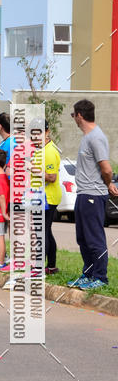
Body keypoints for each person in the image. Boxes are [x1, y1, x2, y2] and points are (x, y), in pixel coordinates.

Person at [67, 99, 118, 289]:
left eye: (73, 115)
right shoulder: (87, 137)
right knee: (83, 238)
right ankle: (87, 274)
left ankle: (100, 277)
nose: (74, 119)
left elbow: (106, 168)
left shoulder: (96, 137)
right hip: (83, 193)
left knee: (94, 237)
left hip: (93, 195)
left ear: (80, 115)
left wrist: (108, 183)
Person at [32, 121, 61, 275]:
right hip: (39, 196)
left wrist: (32, 168)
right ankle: (51, 266)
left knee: (41, 232)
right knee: (46, 231)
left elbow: (51, 177)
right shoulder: (40, 149)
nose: (35, 136)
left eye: (38, 133)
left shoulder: (49, 152)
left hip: (47, 198)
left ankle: (39, 267)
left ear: (47, 131)